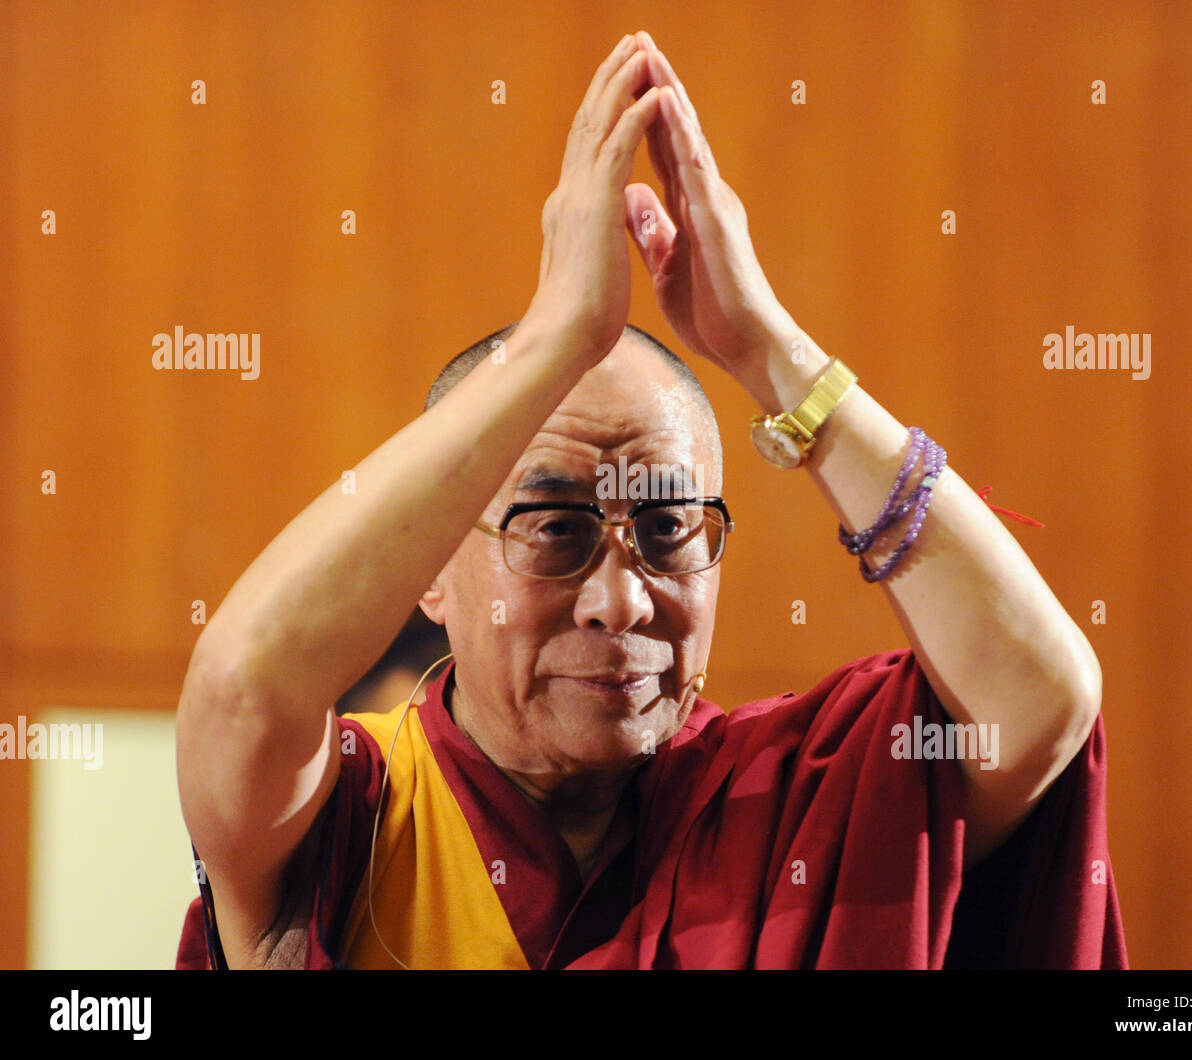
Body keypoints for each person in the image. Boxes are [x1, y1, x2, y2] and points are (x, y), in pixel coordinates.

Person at [174, 30, 1126, 969]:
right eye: (554, 530)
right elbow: (243, 687)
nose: (620, 600)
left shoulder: (796, 798)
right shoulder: (346, 817)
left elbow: (1041, 696)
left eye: (669, 529)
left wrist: (769, 352)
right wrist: (556, 341)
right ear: (430, 571)